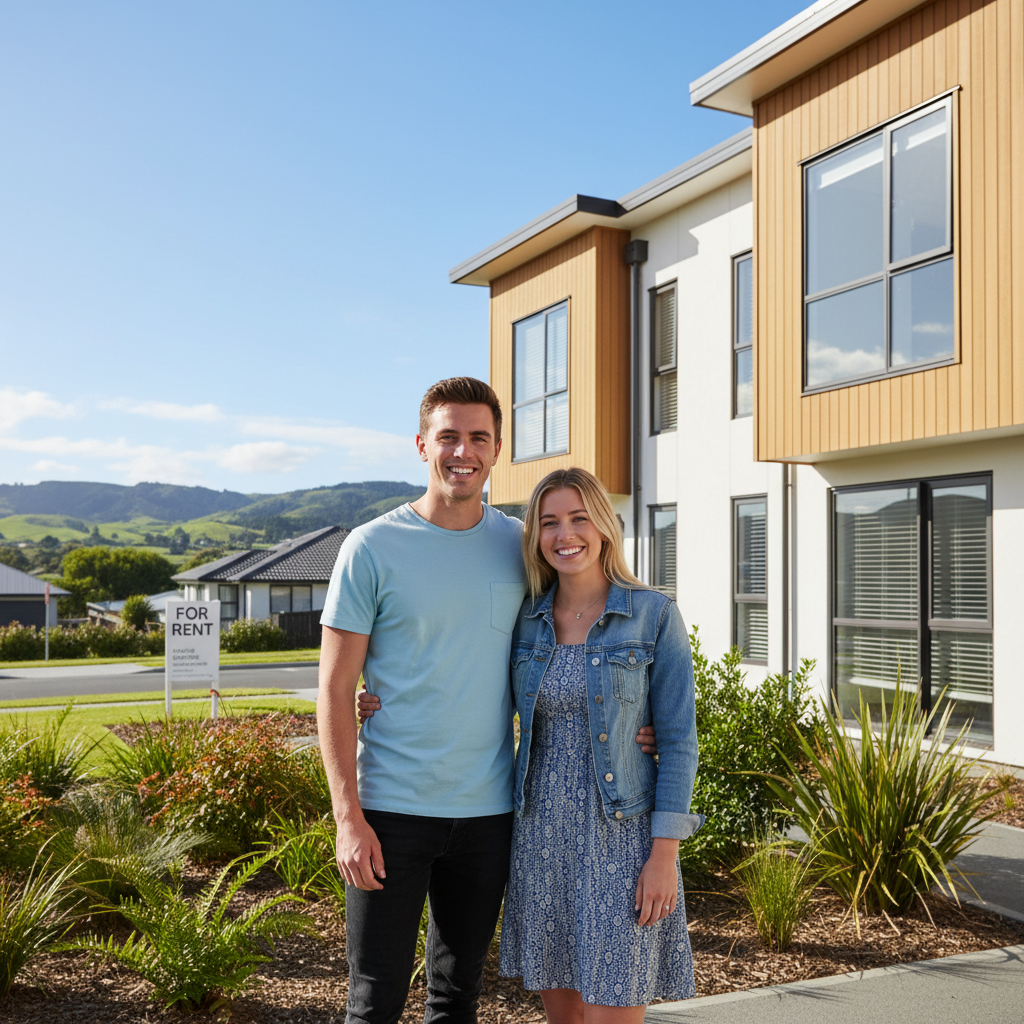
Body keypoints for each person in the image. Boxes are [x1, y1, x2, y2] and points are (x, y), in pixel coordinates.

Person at [318, 377, 656, 1024]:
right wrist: (347, 818)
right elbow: (335, 690)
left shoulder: (522, 546)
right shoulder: (371, 548)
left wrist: (640, 724)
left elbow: (585, 630)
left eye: (478, 437)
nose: (462, 451)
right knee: (373, 1000)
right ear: (422, 445)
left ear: (498, 448)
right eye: (448, 437)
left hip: (491, 814)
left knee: (456, 997)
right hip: (391, 810)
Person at [499, 467, 702, 1024]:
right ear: (536, 537)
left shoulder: (653, 615)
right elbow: (469, 692)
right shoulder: (525, 622)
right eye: (550, 522)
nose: (566, 533)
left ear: (605, 527)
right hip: (542, 840)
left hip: (623, 843)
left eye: (579, 517)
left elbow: (680, 744)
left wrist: (665, 856)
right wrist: (373, 700)